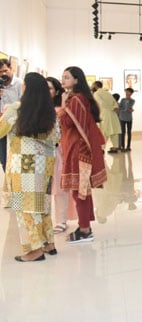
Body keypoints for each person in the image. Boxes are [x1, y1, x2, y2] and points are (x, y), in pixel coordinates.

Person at [0, 73, 59, 261]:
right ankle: (48, 243)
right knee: (42, 204)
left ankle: (34, 250)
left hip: (22, 164)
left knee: (25, 208)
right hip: (45, 164)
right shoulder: (50, 112)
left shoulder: (16, 109)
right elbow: (57, 137)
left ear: (27, 88)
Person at [59, 66, 107, 243]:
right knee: (82, 191)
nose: (63, 80)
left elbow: (66, 122)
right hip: (79, 148)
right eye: (63, 77)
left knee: (80, 192)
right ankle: (84, 226)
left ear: (76, 80)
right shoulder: (80, 98)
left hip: (78, 150)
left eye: (67, 77)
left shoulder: (76, 100)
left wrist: (63, 105)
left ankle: (85, 230)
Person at [47, 77, 71, 234]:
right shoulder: (37, 107)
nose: (46, 91)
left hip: (59, 151)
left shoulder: (60, 108)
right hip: (41, 153)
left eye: (49, 88)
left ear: (56, 91)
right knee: (45, 189)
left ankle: (61, 220)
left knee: (60, 188)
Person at [0, 58, 23, 172]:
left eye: (5, 70)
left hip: (15, 125)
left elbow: (22, 104)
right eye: (0, 72)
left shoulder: (19, 84)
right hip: (2, 125)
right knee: (3, 157)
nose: (3, 74)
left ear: (11, 69)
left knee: (14, 157)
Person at [92, 80, 121, 153]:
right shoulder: (107, 93)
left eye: (93, 85)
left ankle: (101, 148)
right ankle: (115, 147)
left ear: (95, 86)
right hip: (113, 114)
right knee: (114, 132)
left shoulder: (96, 93)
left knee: (104, 132)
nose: (92, 86)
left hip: (105, 114)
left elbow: (101, 103)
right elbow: (114, 103)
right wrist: (114, 108)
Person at [118, 87, 135, 152]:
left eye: (128, 92)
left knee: (129, 132)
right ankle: (122, 146)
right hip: (122, 118)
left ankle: (128, 146)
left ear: (131, 93)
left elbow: (127, 108)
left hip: (129, 118)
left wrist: (126, 109)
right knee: (122, 132)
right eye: (126, 91)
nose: (126, 93)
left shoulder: (132, 100)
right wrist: (127, 109)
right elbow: (120, 107)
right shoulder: (122, 99)